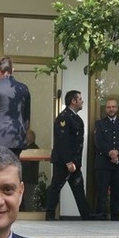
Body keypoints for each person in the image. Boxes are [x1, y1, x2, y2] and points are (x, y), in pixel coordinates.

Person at [44, 90, 90, 220]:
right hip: (64, 162)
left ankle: (86, 215)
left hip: (74, 163)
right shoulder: (64, 117)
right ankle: (50, 214)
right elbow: (62, 141)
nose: (82, 101)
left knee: (79, 189)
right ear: (73, 101)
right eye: (80, 99)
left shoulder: (76, 118)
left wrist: (75, 162)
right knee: (56, 187)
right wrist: (68, 161)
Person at [94, 98, 119, 220]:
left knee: (117, 191)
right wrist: (110, 152)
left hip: (118, 163)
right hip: (104, 163)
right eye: (109, 107)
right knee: (102, 191)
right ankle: (100, 215)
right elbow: (98, 141)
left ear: (117, 108)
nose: (111, 109)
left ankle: (115, 216)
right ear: (105, 109)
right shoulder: (100, 124)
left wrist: (117, 151)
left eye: (113, 106)